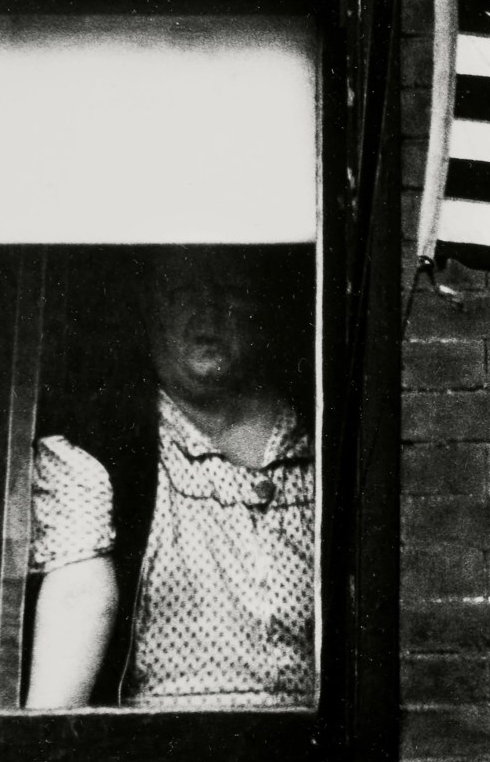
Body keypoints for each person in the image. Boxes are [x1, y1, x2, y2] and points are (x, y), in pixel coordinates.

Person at [22, 253, 315, 708]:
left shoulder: (321, 443)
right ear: (148, 308)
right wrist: (41, 761)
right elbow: (78, 597)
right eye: (181, 292)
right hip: (168, 758)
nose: (207, 310)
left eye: (230, 289)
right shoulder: (101, 447)